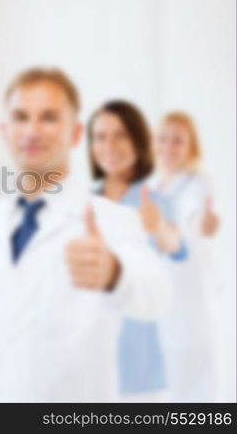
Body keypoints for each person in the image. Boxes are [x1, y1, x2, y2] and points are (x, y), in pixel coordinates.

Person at [0, 68, 171, 402]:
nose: (32, 131)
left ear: (76, 133)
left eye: (48, 118)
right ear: (5, 132)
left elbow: (157, 295)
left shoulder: (111, 220)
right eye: (21, 117)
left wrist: (114, 274)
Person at [87, 100, 187, 401]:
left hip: (138, 366)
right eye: (101, 137)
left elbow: (177, 245)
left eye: (121, 135)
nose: (110, 146)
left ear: (138, 140)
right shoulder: (83, 202)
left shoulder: (153, 200)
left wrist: (158, 229)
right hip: (89, 359)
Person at [147, 111, 222, 401]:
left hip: (193, 307)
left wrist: (201, 223)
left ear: (191, 146)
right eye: (162, 139)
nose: (168, 147)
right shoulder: (151, 188)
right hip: (163, 307)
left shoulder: (198, 183)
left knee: (197, 393)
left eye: (177, 141)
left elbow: (196, 217)